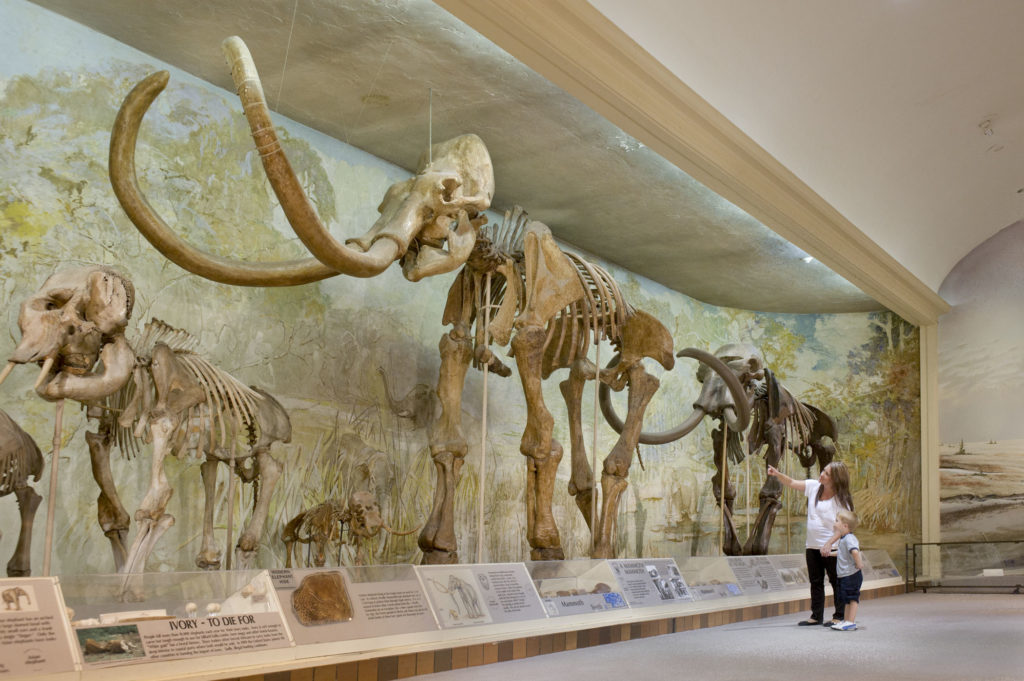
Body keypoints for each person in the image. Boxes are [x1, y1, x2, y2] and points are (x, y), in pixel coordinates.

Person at [767, 460, 853, 627]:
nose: (822, 474)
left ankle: (839, 615)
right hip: (812, 546)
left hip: (833, 548)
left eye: (827, 474)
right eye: (823, 471)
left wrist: (828, 543)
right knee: (816, 581)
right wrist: (777, 474)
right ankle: (816, 616)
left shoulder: (842, 501)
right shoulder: (814, 486)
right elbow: (791, 482)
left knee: (836, 582)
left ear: (835, 479)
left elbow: (844, 529)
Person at [822, 509, 863, 631]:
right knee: (845, 599)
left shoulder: (849, 538)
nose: (834, 523)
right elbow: (842, 554)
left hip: (851, 575)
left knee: (852, 598)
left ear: (845, 526)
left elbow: (854, 551)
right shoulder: (844, 539)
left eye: (837, 521)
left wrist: (859, 564)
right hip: (844, 575)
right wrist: (829, 554)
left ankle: (850, 622)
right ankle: (845, 621)